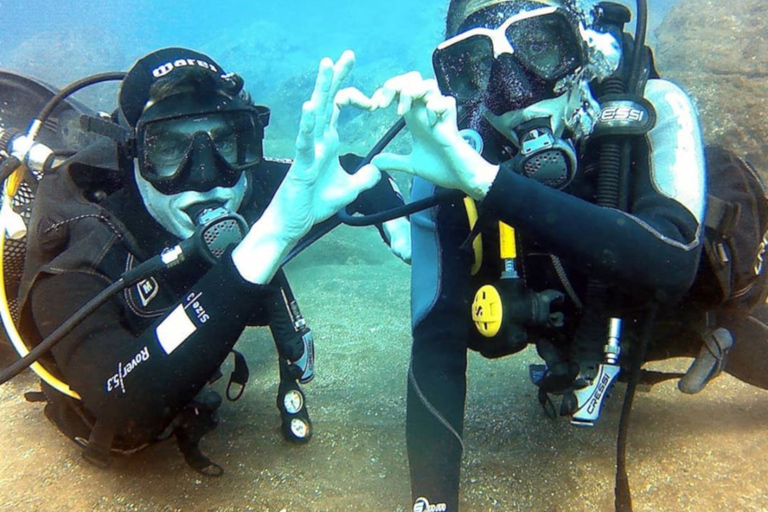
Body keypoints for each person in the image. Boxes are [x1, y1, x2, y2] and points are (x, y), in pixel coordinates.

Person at [340, 0, 721, 509]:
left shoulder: (653, 107)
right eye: (479, 65)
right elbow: (436, 339)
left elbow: (671, 265)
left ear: (580, 42)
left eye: (539, 43)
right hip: (571, 336)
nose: (516, 88)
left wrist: (488, 183)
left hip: (687, 310)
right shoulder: (455, 157)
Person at [13, 47, 407, 474]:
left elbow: (346, 173)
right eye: (168, 149)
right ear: (132, 159)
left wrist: (385, 191)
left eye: (225, 141)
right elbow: (122, 409)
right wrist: (262, 247)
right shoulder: (78, 242)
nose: (206, 176)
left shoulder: (238, 180)